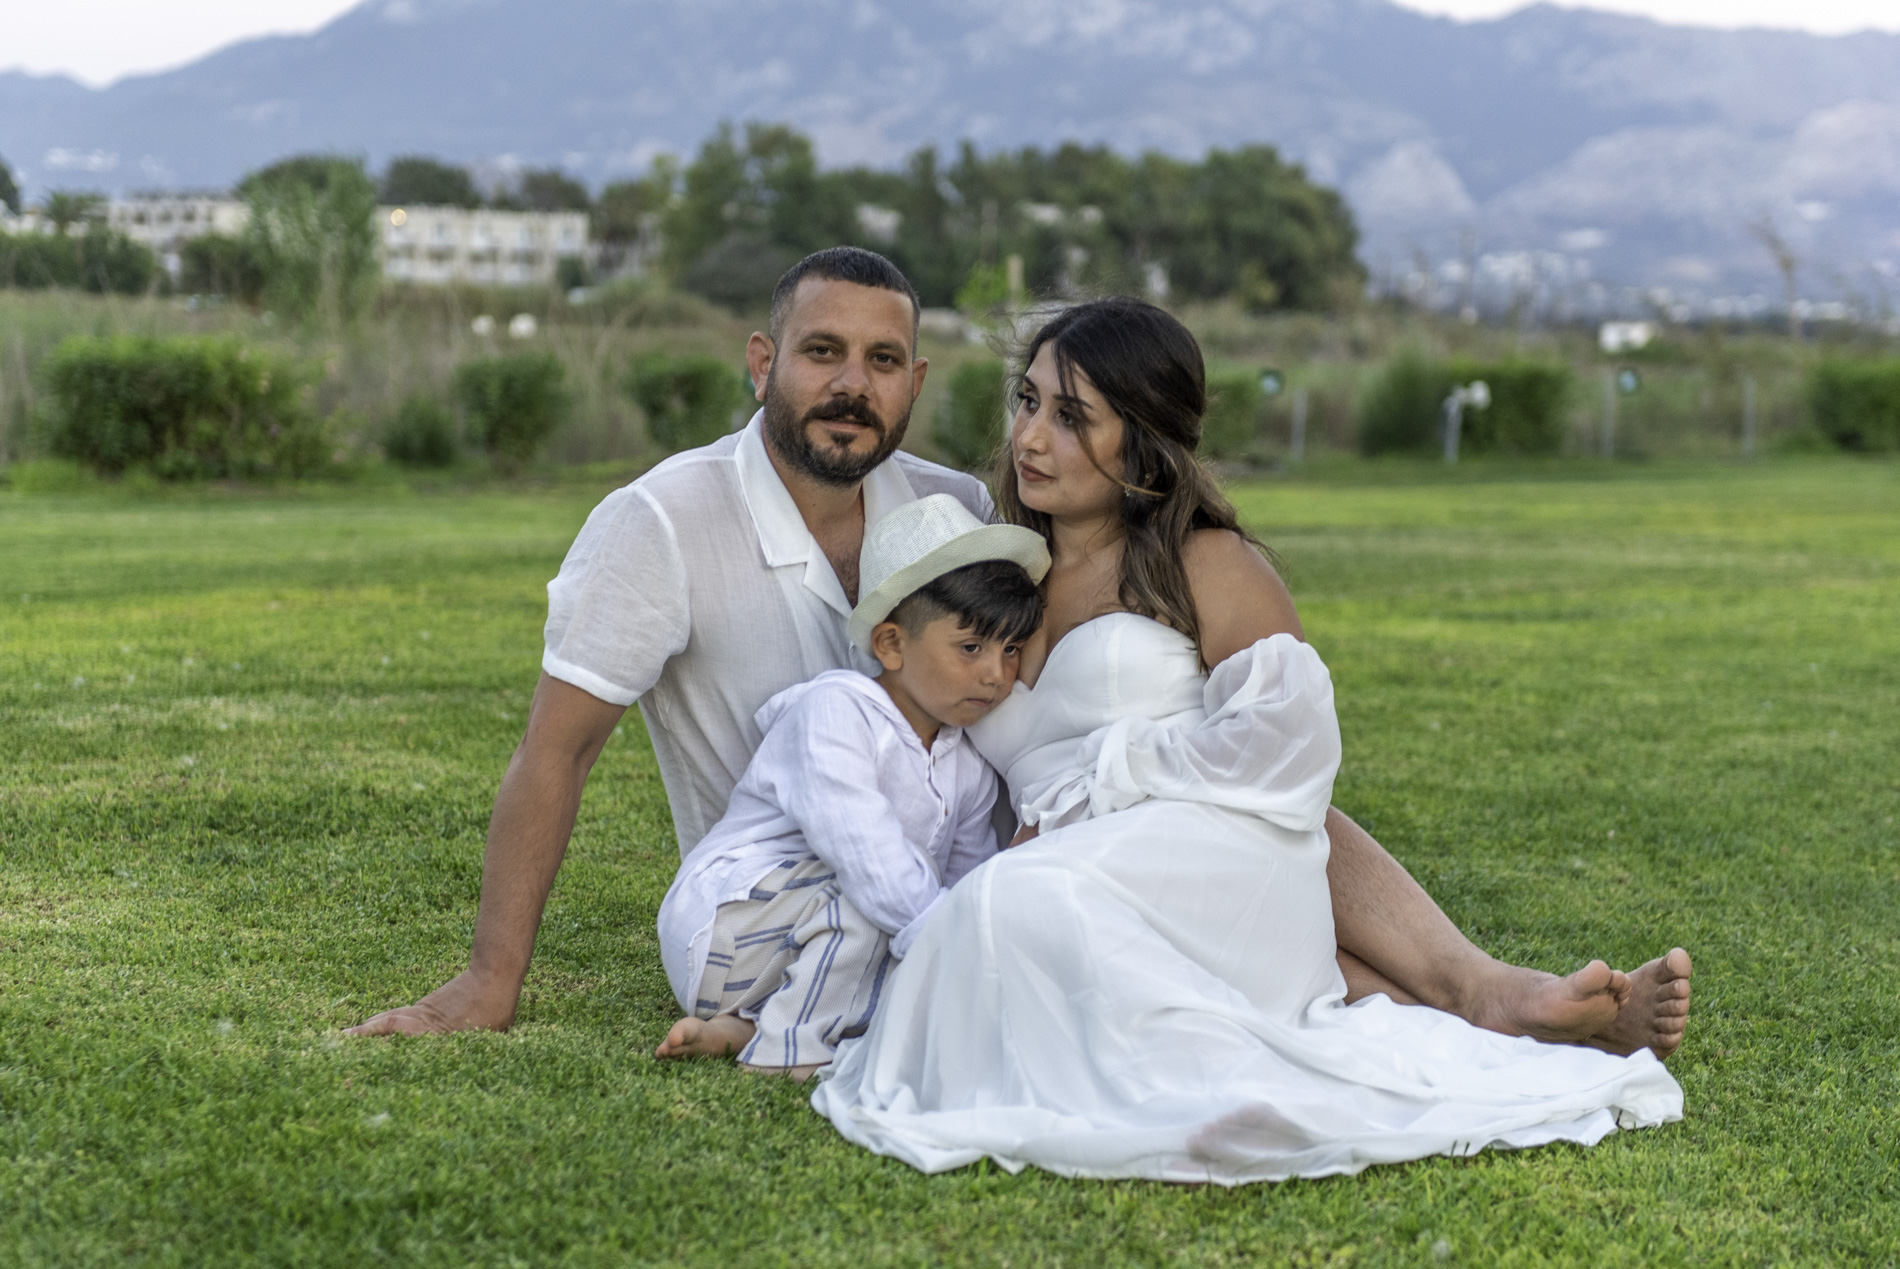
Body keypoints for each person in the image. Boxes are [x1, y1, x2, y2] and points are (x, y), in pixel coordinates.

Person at [347, 247, 1687, 1056]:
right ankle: (1470, 1006)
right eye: (821, 353)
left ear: (916, 382)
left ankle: (1483, 993)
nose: (852, 385)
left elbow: (1260, 749)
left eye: (884, 360)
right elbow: (555, 754)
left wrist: (1123, 778)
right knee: (1143, 898)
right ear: (762, 361)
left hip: (1019, 865)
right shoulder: (658, 521)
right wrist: (489, 982)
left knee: (1248, 838)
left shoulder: (959, 519)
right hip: (803, 909)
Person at [810, 298, 1687, 1183]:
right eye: (1028, 401)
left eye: (1073, 417)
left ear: (1142, 441)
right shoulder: (998, 581)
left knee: (1020, 898)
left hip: (1210, 850)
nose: (1031, 437)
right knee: (998, 906)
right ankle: (1489, 1013)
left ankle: (1495, 995)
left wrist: (1109, 776)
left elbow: (1288, 743)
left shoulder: (1204, 561)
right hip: (1087, 871)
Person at [653, 495, 1048, 1078]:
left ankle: (750, 1027)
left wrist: (981, 925)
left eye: (1010, 649)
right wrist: (954, 942)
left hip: (820, 951)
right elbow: (864, 850)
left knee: (911, 917)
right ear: (891, 644)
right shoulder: (836, 709)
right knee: (882, 898)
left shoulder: (965, 760)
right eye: (971, 648)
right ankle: (789, 1050)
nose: (996, 673)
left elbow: (964, 877)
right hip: (727, 936)